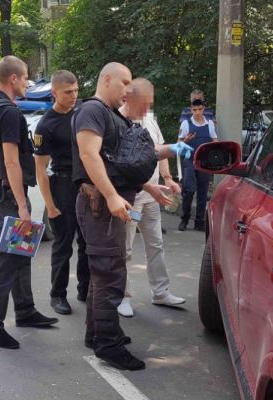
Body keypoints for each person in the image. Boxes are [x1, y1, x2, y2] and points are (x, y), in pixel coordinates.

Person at [72, 62, 192, 371]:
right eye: (124, 82)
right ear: (106, 79)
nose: (128, 89)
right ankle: (108, 345)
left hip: (110, 204)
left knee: (103, 273)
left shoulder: (113, 116)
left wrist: (155, 178)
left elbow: (129, 161)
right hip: (100, 204)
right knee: (109, 275)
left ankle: (96, 334)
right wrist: (112, 195)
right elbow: (88, 154)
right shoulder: (92, 110)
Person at [0, 55, 58, 350]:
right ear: (13, 78)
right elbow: (11, 162)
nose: (28, 82)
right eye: (25, 77)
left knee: (21, 252)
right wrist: (22, 206)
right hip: (9, 192)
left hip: (0, 189)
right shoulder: (8, 112)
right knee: (7, 258)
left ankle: (25, 311)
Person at [117, 78, 186, 318]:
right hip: (132, 197)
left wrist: (167, 178)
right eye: (144, 103)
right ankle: (123, 297)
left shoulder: (149, 118)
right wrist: (147, 187)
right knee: (125, 248)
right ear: (129, 98)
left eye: (150, 103)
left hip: (151, 196)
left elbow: (159, 149)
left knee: (155, 243)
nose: (147, 108)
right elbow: (122, 166)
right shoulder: (118, 121)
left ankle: (161, 292)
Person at [34, 70, 89, 315]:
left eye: (76, 90)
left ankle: (85, 289)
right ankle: (57, 295)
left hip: (86, 184)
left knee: (87, 242)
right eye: (68, 92)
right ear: (54, 92)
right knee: (63, 245)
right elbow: (40, 169)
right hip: (63, 186)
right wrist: (50, 206)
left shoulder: (83, 112)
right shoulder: (46, 125)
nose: (74, 95)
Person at [178, 98, 217, 231]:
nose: (197, 112)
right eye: (194, 110)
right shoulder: (186, 124)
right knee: (189, 190)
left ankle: (199, 221)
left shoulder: (209, 124)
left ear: (203, 109)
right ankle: (185, 218)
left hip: (204, 161)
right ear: (191, 110)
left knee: (203, 191)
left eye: (200, 109)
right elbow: (179, 144)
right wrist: (186, 140)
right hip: (189, 159)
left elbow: (215, 140)